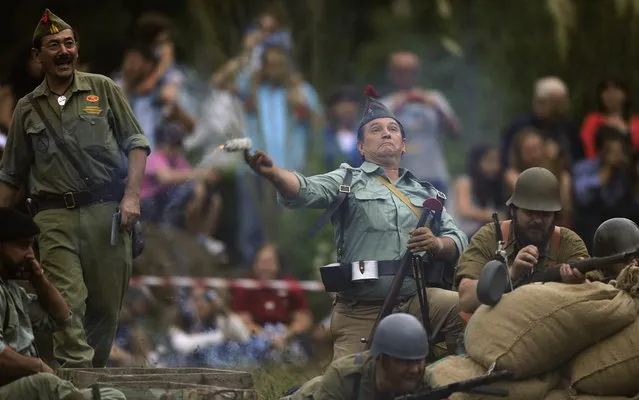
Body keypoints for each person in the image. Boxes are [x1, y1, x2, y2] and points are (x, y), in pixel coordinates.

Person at [247, 86, 467, 362]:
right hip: (361, 309)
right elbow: (304, 189)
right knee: (350, 385)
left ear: (403, 145)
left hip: (416, 302)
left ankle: (449, 372)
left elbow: (458, 237)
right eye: (375, 129)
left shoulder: (427, 193)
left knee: (468, 308)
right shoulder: (346, 180)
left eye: (393, 129)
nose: (386, 133)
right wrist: (274, 173)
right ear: (361, 147)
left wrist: (437, 244)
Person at [0, 9, 150, 368]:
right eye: (54, 45)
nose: (64, 51)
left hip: (107, 214)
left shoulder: (104, 89)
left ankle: (88, 376)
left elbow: (137, 144)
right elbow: (10, 177)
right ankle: (73, 377)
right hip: (53, 218)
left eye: (69, 43)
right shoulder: (27, 109)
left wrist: (131, 196)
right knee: (68, 300)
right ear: (38, 56)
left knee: (105, 307)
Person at [0, 208, 125, 400]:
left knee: (112, 394)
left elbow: (62, 317)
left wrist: (38, 277)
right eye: (22, 246)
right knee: (45, 384)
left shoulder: (12, 291)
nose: (30, 255)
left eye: (32, 247)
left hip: (26, 386)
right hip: (12, 388)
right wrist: (38, 366)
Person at [455, 167, 590, 314]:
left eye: (545, 214)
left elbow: (597, 294)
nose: (537, 220)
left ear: (554, 216)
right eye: (530, 212)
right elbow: (466, 299)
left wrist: (579, 283)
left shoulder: (568, 242)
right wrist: (511, 275)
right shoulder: (490, 237)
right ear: (513, 211)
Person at [281, 313, 429, 400]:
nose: (415, 369)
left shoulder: (423, 381)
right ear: (381, 359)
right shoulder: (343, 376)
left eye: (419, 360)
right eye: (405, 361)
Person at [591, 217, 639, 283]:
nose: (634, 263)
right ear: (606, 264)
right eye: (627, 260)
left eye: (637, 258)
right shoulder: (595, 290)